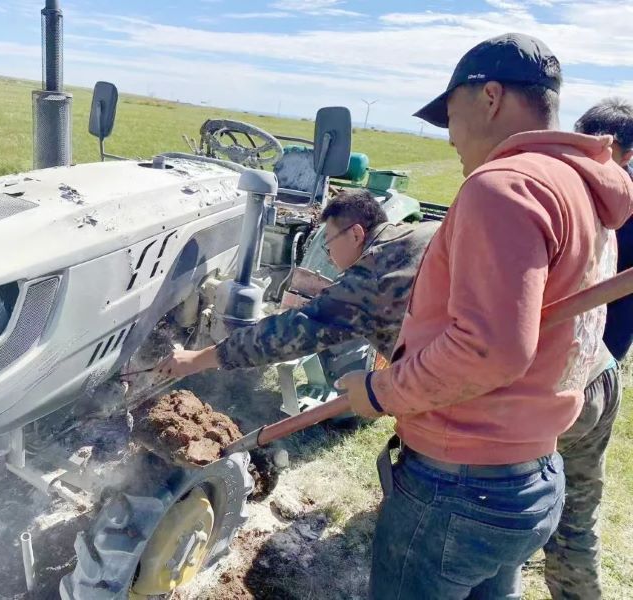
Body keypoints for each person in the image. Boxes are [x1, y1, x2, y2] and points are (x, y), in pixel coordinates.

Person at [337, 33, 633, 599]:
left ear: (490, 97)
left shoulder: (504, 187)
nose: (449, 137)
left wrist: (377, 391)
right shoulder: (582, 188)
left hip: (459, 484)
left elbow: (488, 349)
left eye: (450, 113)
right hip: (531, 471)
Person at [156, 189, 438, 378]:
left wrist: (198, 360)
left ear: (355, 234)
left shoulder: (374, 276)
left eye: (328, 245)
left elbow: (294, 330)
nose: (329, 256)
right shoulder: (426, 233)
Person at [544, 98, 633, 600]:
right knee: (577, 516)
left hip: (558, 374)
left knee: (497, 505)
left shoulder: (569, 195)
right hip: (603, 368)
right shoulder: (617, 199)